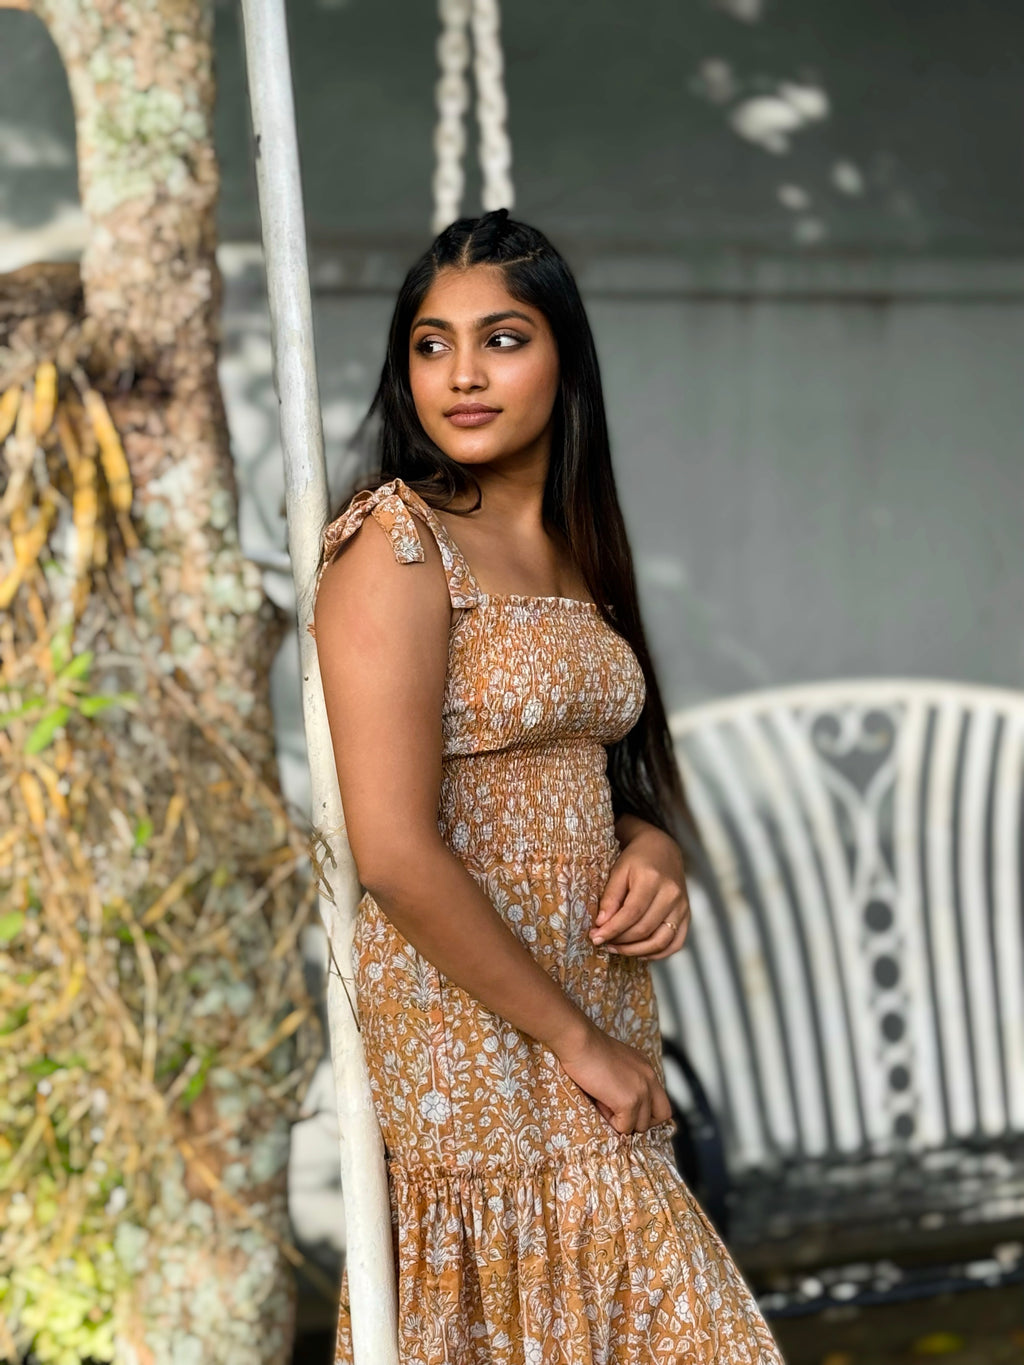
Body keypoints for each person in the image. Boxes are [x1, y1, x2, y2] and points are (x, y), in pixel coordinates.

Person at [310, 209, 784, 1364]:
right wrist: (575, 1042)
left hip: (593, 989)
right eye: (431, 344)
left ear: (563, 356)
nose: (461, 375)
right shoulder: (397, 543)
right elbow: (394, 848)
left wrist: (652, 842)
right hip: (477, 1026)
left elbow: (584, 765)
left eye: (502, 339)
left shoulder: (574, 543)